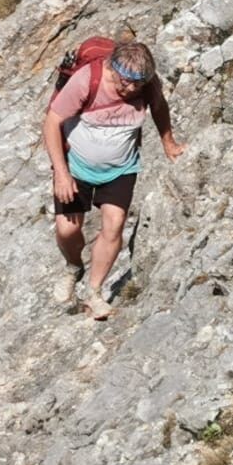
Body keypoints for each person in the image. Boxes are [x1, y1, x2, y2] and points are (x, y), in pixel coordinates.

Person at [44, 40, 185, 319]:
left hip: (120, 168)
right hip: (76, 166)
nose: (131, 89)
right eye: (125, 81)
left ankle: (94, 293)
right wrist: (61, 173)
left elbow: (159, 107)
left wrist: (168, 143)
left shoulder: (148, 85)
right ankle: (73, 266)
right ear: (112, 68)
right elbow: (52, 122)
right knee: (67, 230)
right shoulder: (87, 80)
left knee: (114, 224)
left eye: (137, 83)